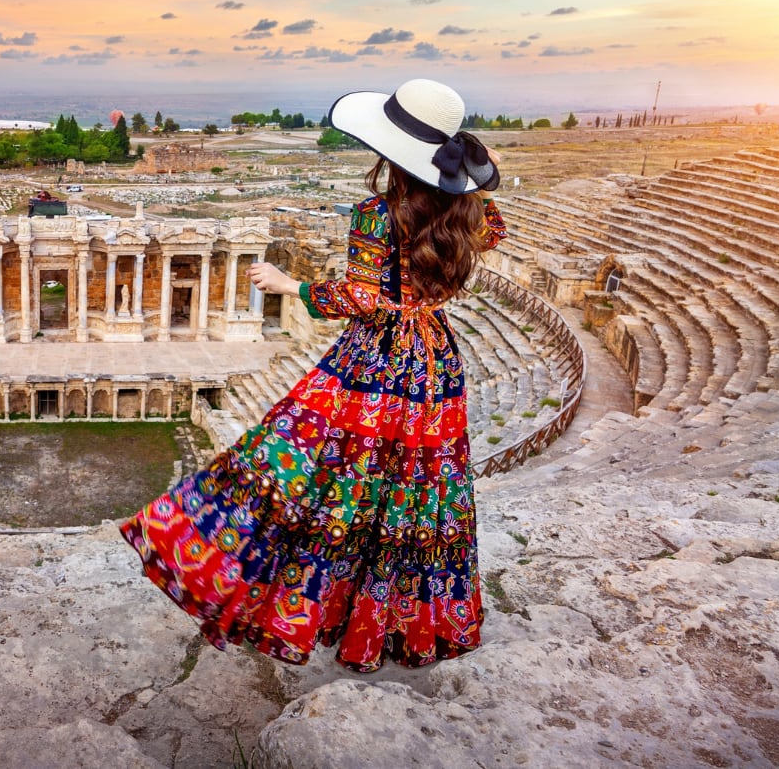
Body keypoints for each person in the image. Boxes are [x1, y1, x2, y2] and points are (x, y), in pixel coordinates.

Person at [120, 78, 508, 672]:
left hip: (374, 364)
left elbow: (359, 297)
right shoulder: (471, 212)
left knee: (298, 468)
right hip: (436, 363)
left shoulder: (377, 216)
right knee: (416, 494)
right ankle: (399, 627)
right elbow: (493, 233)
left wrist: (290, 286)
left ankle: (231, 570)